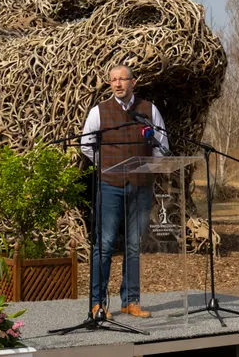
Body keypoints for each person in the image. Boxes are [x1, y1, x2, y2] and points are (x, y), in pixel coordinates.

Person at [80, 64, 168, 320]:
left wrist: (147, 170)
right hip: (110, 186)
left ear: (134, 82)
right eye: (113, 80)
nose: (117, 84)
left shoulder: (149, 110)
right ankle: (97, 303)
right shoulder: (99, 112)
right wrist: (108, 167)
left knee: (133, 246)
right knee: (105, 245)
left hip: (140, 188)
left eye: (122, 79)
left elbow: (162, 146)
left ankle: (131, 301)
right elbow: (87, 146)